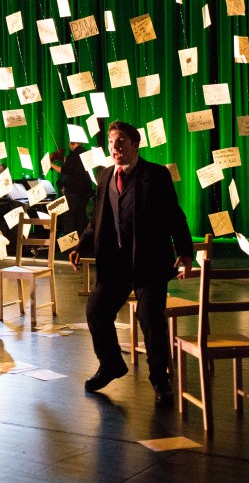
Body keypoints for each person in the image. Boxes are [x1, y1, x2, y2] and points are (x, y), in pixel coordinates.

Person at [67, 121, 194, 406]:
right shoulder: (104, 176)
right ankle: (111, 363)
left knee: (150, 319)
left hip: (149, 263)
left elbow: (174, 215)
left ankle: (160, 380)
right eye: (112, 142)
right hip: (115, 264)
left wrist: (185, 251)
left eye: (121, 141)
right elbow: (97, 218)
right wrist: (81, 246)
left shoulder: (155, 174)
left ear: (135, 145)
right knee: (96, 310)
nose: (115, 147)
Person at [50, 141, 93, 240]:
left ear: (73, 143)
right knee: (81, 219)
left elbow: (64, 170)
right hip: (85, 191)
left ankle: (71, 244)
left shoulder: (73, 155)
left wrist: (51, 164)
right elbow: (75, 166)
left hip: (73, 193)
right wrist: (63, 158)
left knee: (70, 221)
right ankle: (81, 243)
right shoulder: (85, 152)